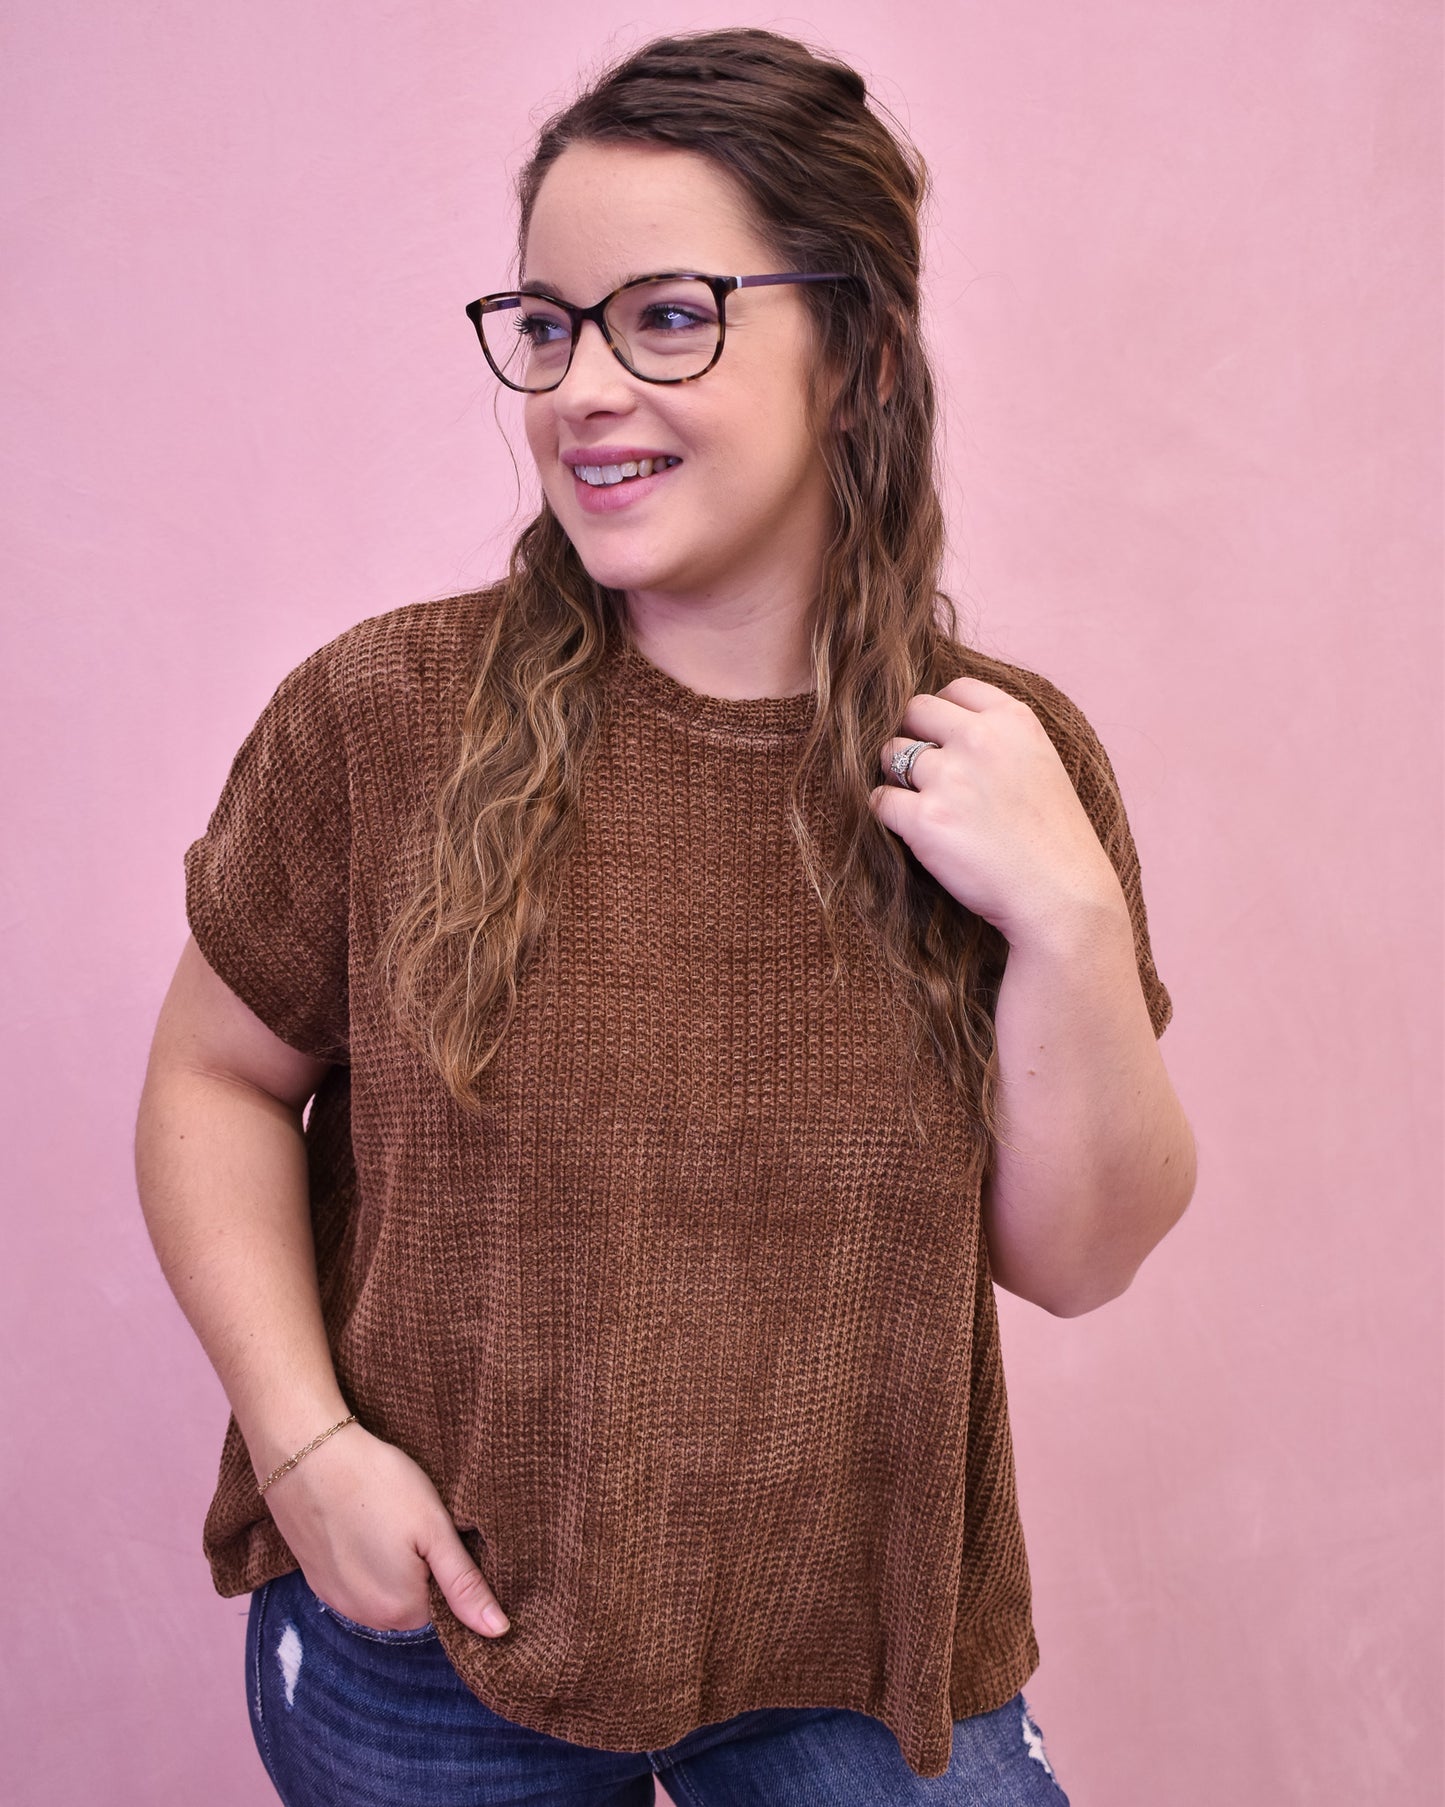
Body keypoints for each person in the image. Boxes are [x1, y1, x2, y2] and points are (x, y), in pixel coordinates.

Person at [135, 25, 1195, 1807]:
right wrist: (305, 1445)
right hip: (432, 1642)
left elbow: (1077, 1257)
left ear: (856, 352)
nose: (579, 391)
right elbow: (212, 1084)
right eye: (549, 325)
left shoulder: (1001, 758)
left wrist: (1070, 924)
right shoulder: (382, 719)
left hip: (859, 1658)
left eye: (669, 315)